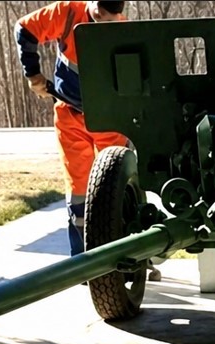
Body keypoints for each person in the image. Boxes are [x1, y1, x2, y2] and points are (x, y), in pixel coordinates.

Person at [16, 0, 133, 257]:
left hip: (110, 120)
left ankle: (131, 257)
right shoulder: (68, 13)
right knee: (79, 191)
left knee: (120, 185)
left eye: (109, 18)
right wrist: (33, 75)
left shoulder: (124, 32)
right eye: (100, 13)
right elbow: (25, 29)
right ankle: (81, 261)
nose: (102, 19)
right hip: (70, 115)